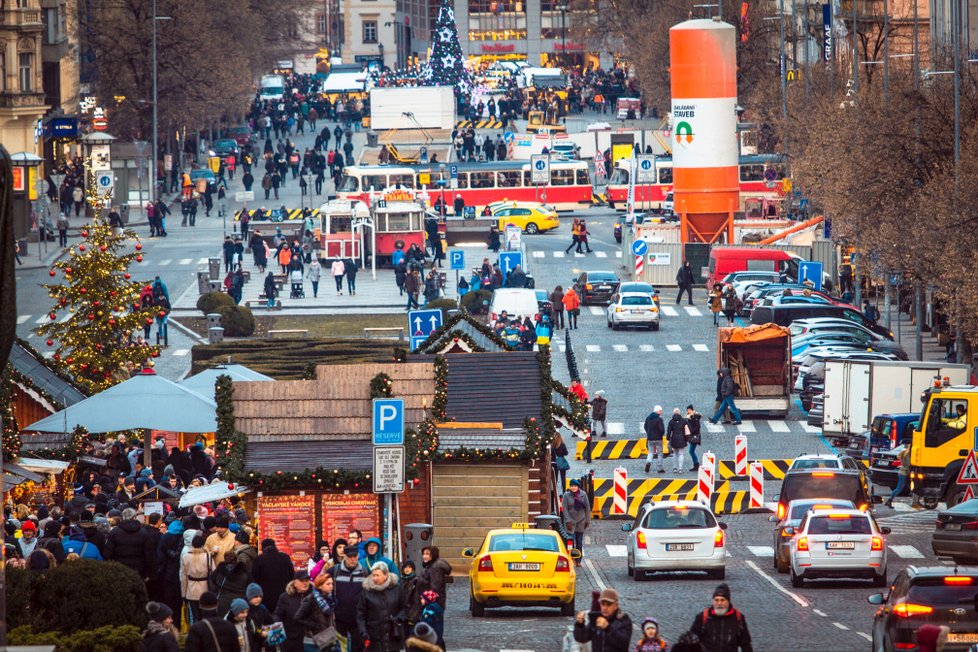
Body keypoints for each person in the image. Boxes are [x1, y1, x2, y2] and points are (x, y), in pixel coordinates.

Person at [356, 561, 407, 652]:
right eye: (373, 575)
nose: (374, 578)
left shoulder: (397, 589)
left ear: (386, 575)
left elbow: (405, 607)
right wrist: (363, 631)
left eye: (377, 575)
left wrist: (399, 618)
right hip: (374, 636)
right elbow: (361, 614)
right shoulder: (367, 591)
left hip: (393, 635)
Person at [689, 584, 753, 652]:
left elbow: (746, 644)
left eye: (722, 600)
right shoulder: (702, 617)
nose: (719, 603)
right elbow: (692, 641)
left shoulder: (738, 618)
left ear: (728, 601)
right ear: (713, 601)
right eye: (716, 600)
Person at [330, 544, 367, 652]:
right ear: (344, 556)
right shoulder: (334, 571)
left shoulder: (364, 572)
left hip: (357, 618)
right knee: (340, 648)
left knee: (358, 646)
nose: (352, 559)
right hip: (338, 617)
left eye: (355, 556)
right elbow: (322, 586)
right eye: (350, 556)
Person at [295, 571, 339, 651]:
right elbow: (298, 617)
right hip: (313, 641)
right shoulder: (311, 599)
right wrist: (314, 625)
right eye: (328, 584)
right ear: (320, 586)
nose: (331, 586)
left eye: (332, 584)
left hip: (327, 638)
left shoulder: (330, 599)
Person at [252, 538, 295, 613]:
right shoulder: (285, 557)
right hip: (284, 594)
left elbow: (255, 578)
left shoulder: (259, 559)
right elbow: (292, 575)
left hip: (266, 596)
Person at [274, 570, 312, 652]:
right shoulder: (285, 597)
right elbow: (278, 614)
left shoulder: (313, 596)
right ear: (295, 583)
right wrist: (277, 627)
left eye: (307, 581)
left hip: (310, 639)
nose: (305, 583)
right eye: (302, 581)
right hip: (291, 640)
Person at [182, 535, 212, 624]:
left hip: (191, 589)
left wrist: (183, 593)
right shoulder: (207, 556)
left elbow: (184, 577)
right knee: (205, 615)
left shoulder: (186, 557)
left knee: (195, 615)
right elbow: (213, 571)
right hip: (205, 588)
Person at [561, 479, 591, 564]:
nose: (573, 488)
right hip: (570, 521)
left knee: (579, 541)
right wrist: (568, 521)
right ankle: (571, 558)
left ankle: (578, 560)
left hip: (581, 520)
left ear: (578, 487)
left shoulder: (583, 494)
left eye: (575, 486)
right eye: (572, 486)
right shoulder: (566, 495)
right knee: (571, 541)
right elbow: (565, 509)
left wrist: (587, 520)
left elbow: (587, 507)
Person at [886, 443, 911, 507]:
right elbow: (908, 464)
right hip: (904, 473)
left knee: (905, 487)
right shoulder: (908, 454)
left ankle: (890, 500)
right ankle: (889, 500)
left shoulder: (904, 452)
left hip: (901, 472)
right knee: (899, 488)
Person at [644, 405, 666, 473]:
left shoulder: (648, 418)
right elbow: (662, 430)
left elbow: (645, 427)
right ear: (657, 411)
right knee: (659, 453)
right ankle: (660, 468)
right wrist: (661, 435)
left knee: (650, 452)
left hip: (650, 438)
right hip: (658, 438)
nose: (661, 412)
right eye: (660, 411)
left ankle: (648, 462)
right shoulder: (659, 419)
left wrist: (649, 433)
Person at [667, 407, 689, 473]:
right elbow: (687, 430)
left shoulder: (671, 421)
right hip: (682, 438)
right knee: (681, 454)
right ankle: (680, 468)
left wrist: (668, 440)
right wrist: (687, 439)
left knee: (675, 454)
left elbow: (669, 432)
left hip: (674, 439)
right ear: (679, 413)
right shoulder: (684, 421)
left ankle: (674, 468)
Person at [686, 405, 703, 472]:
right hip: (692, 436)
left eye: (689, 410)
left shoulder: (695, 417)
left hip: (694, 436)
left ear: (692, 410)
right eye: (687, 410)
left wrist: (690, 431)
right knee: (691, 451)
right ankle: (696, 464)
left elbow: (697, 426)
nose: (688, 411)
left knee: (691, 451)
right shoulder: (689, 416)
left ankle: (696, 464)